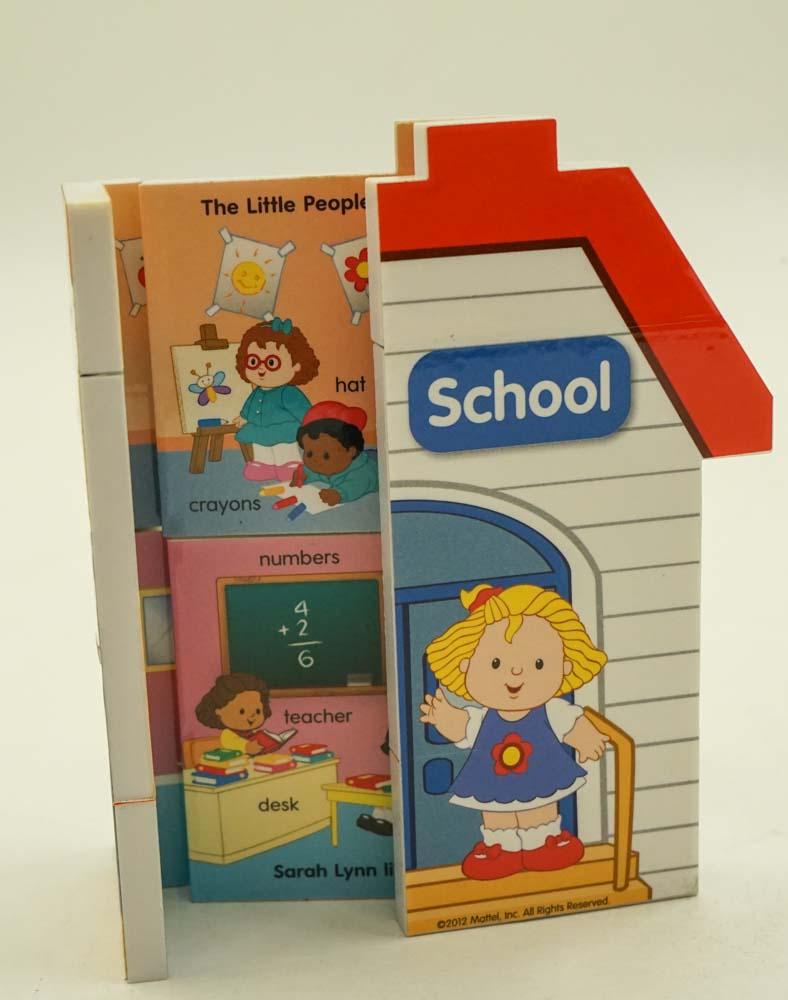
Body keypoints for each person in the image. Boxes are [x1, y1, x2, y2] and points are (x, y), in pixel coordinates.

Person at [420, 583, 609, 880]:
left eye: (538, 663)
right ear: (466, 666)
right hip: (492, 782)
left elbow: (573, 723)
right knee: (498, 817)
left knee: (539, 811)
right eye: (496, 663)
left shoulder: (551, 710)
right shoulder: (483, 717)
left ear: (565, 666)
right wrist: (444, 717)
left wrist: (588, 739)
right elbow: (462, 727)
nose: (516, 673)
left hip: (540, 777)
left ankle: (541, 844)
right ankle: (500, 850)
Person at [233, 317, 319, 482]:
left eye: (271, 362)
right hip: (259, 429)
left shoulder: (288, 392)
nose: (261, 369)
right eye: (253, 361)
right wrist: (243, 417)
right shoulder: (257, 392)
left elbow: (303, 409)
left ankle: (290, 466)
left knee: (283, 448)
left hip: (283, 430)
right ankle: (263, 465)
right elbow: (249, 406)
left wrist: (311, 425)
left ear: (296, 365)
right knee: (261, 447)